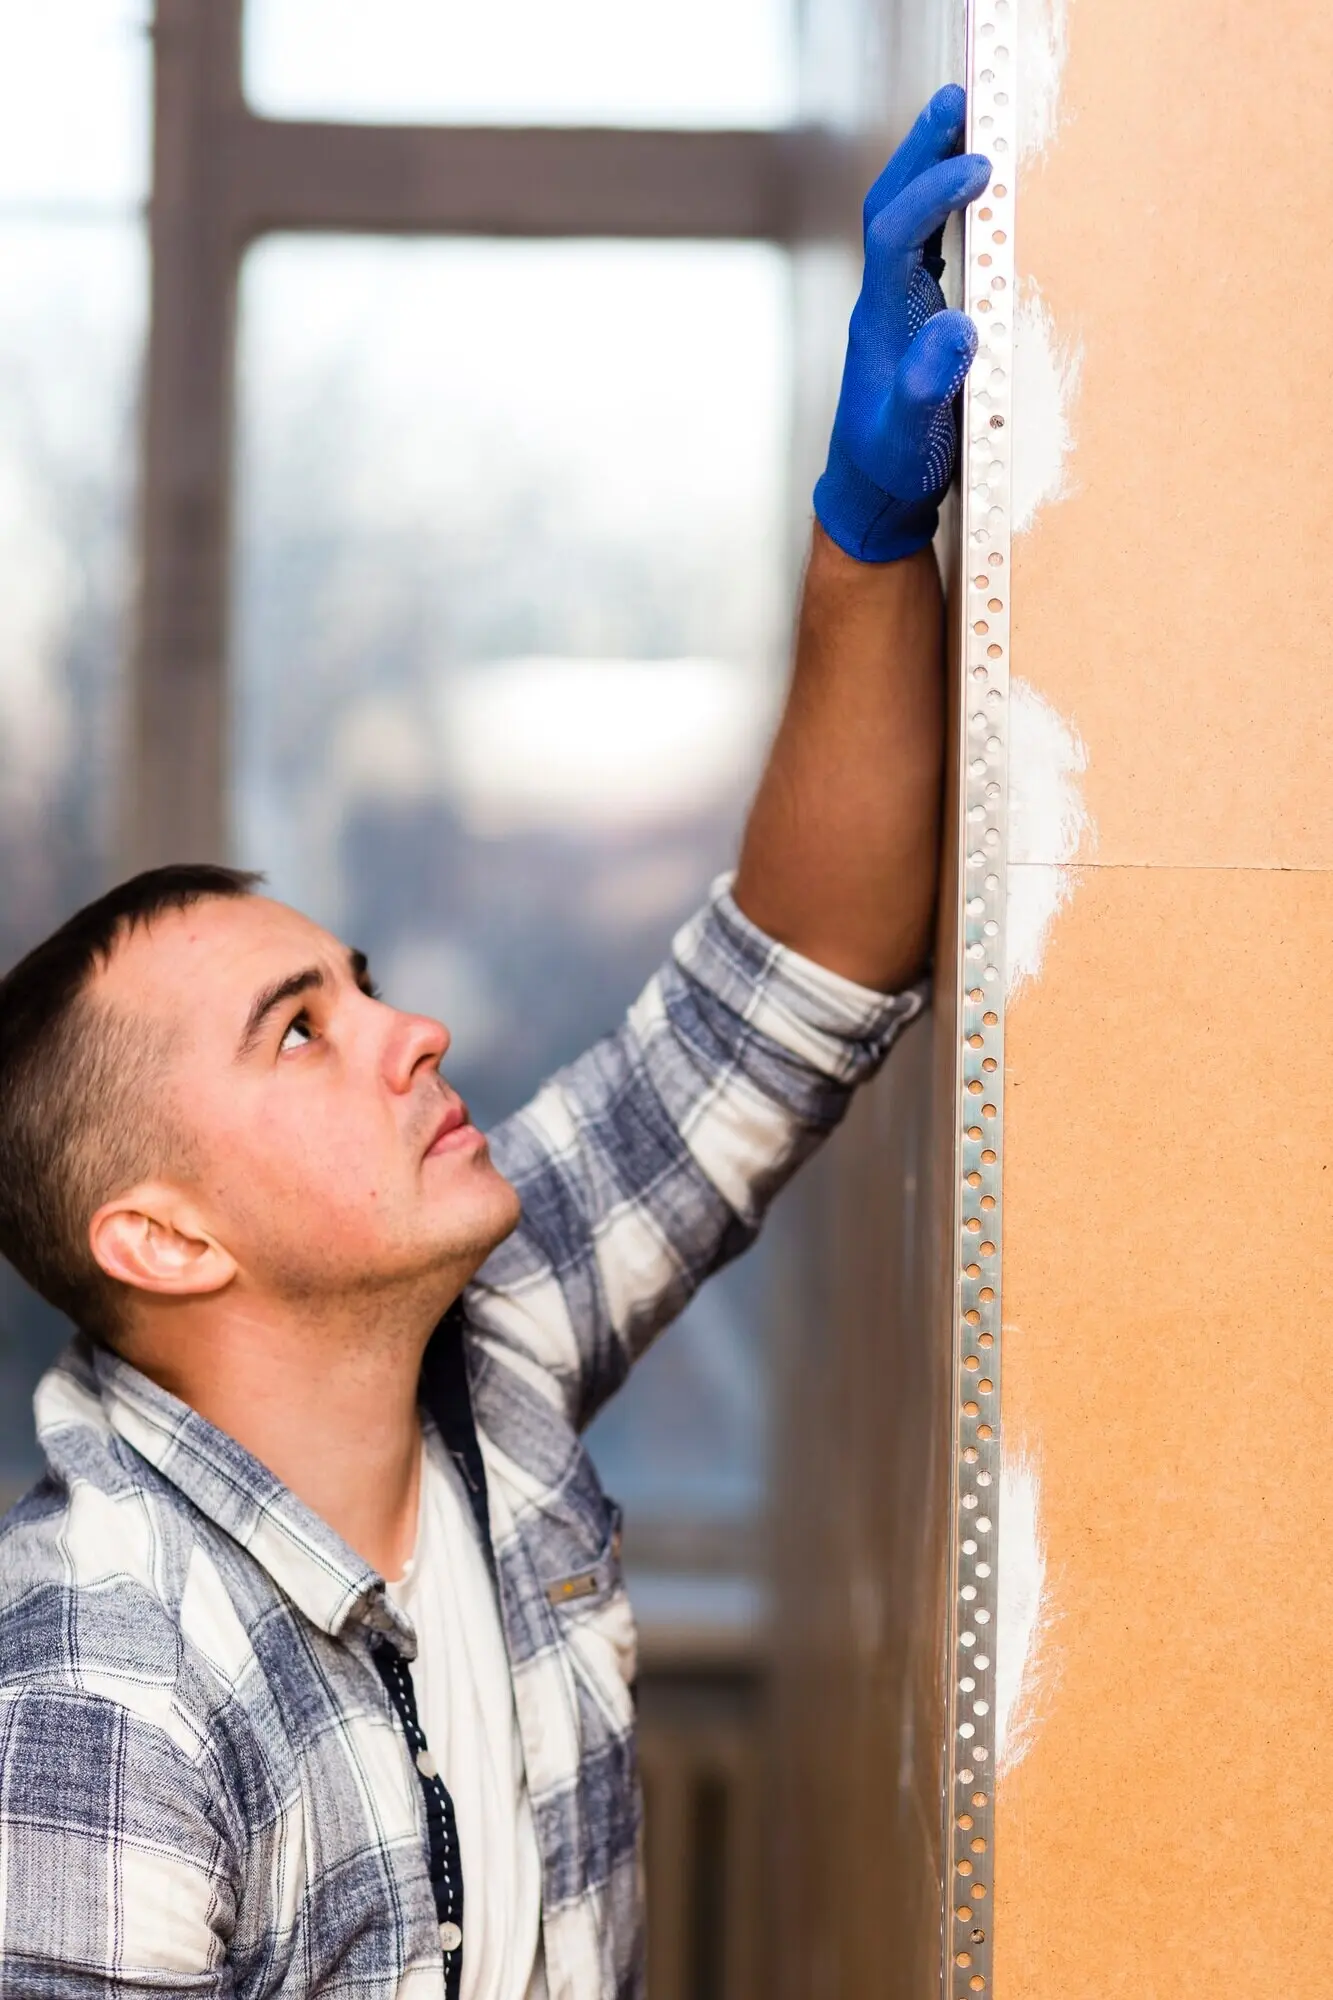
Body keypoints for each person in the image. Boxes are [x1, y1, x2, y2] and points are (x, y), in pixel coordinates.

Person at [0, 90, 989, 2000]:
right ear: (164, 1239)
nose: (411, 1032)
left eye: (357, 981)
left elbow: (796, 977)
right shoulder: (106, 1682)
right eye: (302, 1033)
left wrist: (867, 535)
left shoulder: (489, 1365)